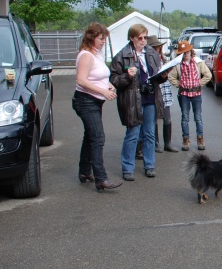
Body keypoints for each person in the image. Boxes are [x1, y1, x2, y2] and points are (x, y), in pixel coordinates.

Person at [109, 24, 164, 181]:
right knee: (132, 134)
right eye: (140, 38)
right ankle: (127, 168)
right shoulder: (122, 55)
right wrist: (127, 76)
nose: (143, 41)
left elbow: (157, 75)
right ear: (132, 38)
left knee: (150, 133)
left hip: (150, 97)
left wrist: (164, 75)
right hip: (133, 99)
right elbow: (114, 79)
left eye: (145, 37)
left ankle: (150, 166)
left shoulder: (152, 53)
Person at [72, 22, 121, 191]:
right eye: (101, 39)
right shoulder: (86, 55)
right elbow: (81, 80)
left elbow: (99, 75)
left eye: (105, 39)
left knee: (90, 136)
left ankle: (84, 171)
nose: (103, 42)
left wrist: (108, 85)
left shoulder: (97, 54)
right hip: (85, 101)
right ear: (91, 38)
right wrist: (103, 91)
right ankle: (101, 178)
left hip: (94, 101)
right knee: (98, 138)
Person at [167, 41, 212, 150]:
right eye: (183, 52)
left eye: (187, 52)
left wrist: (199, 84)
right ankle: (185, 140)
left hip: (196, 93)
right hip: (184, 94)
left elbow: (208, 75)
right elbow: (171, 76)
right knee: (185, 118)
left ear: (190, 52)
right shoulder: (177, 65)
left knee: (198, 117)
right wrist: (178, 84)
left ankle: (200, 139)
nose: (185, 54)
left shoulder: (198, 62)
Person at [148, 35, 178, 153]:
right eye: (155, 47)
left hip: (165, 91)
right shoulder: (149, 59)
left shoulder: (163, 59)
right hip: (155, 91)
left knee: (167, 118)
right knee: (154, 119)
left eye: (159, 47)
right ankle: (156, 143)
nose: (158, 49)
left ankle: (168, 143)